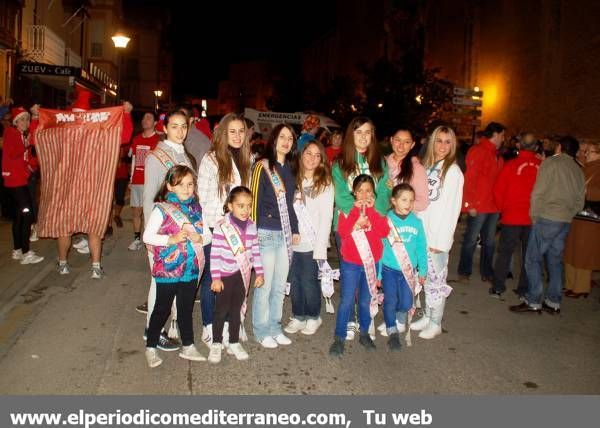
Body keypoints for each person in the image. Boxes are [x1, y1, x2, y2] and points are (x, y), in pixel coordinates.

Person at [51, 89, 134, 277]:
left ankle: (63, 263)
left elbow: (40, 135)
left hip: (67, 187)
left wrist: (33, 117)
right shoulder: (98, 131)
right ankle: (96, 267)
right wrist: (127, 114)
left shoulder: (64, 129)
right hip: (92, 186)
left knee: (65, 226)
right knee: (94, 225)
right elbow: (124, 136)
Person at [138, 110, 198, 351]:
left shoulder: (187, 156)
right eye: (174, 126)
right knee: (159, 284)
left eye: (184, 126)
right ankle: (150, 330)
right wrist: (154, 240)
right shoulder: (156, 157)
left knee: (175, 284)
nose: (180, 131)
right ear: (165, 128)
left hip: (183, 232)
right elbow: (149, 198)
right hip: (164, 232)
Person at [510, 137, 585, 314]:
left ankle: (533, 299)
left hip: (547, 217)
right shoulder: (578, 169)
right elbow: (580, 200)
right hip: (564, 219)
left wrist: (534, 216)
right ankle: (553, 301)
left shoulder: (551, 163)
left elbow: (538, 192)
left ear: (560, 147)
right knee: (555, 260)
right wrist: (569, 213)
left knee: (532, 259)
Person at [332, 116, 391, 340]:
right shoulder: (339, 163)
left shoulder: (381, 163)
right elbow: (340, 194)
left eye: (368, 132)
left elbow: (385, 193)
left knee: (368, 274)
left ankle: (363, 316)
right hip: (349, 224)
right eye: (359, 132)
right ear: (351, 135)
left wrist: (373, 209)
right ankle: (348, 319)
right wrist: (357, 214)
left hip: (373, 225)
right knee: (350, 275)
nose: (364, 137)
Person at [143, 165, 207, 368]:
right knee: (161, 309)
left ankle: (188, 345)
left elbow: (207, 236)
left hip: (190, 269)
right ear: (170, 186)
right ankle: (151, 347)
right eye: (181, 185)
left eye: (190, 184)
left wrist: (200, 237)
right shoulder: (161, 209)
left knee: (185, 309)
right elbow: (147, 236)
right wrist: (171, 239)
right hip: (168, 270)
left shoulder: (197, 208)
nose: (187, 189)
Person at [197, 113, 252, 347]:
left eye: (241, 131)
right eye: (232, 131)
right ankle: (209, 325)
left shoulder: (247, 160)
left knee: (236, 279)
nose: (238, 136)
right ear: (222, 133)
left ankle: (232, 322)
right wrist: (224, 221)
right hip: (217, 229)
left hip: (240, 230)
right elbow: (204, 198)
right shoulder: (211, 160)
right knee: (213, 278)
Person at [410, 126, 464, 339]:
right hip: (422, 233)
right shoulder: (427, 166)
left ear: (453, 145)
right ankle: (427, 314)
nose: (442, 146)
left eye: (447, 142)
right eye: (439, 141)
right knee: (423, 278)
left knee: (436, 281)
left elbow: (453, 209)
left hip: (436, 239)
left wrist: (440, 241)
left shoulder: (453, 172)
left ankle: (436, 321)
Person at [250, 123, 300, 348]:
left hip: (285, 234)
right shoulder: (263, 166)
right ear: (273, 139)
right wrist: (252, 234)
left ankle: (274, 326)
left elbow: (290, 205)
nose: (286, 141)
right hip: (266, 233)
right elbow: (254, 202)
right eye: (282, 137)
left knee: (280, 285)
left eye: (290, 138)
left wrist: (296, 228)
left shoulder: (289, 168)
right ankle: (261, 330)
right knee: (265, 285)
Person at [329, 174, 390, 356]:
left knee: (365, 300)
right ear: (354, 193)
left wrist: (371, 213)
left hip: (372, 262)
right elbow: (343, 232)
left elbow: (384, 231)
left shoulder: (376, 211)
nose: (364, 194)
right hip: (351, 263)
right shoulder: (346, 211)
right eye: (360, 191)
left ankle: (364, 333)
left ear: (374, 193)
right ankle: (339, 337)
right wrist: (356, 215)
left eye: (368, 191)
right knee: (347, 299)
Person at [208, 186, 264, 363]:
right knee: (220, 311)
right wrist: (215, 278)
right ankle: (216, 343)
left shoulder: (252, 225)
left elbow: (255, 250)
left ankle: (233, 341)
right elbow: (215, 253)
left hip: (242, 275)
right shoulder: (222, 226)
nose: (245, 210)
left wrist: (260, 273)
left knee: (236, 311)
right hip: (224, 276)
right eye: (241, 206)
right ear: (230, 206)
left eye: (248, 206)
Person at [284, 141, 334, 336]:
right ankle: (298, 315)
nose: (312, 158)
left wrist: (321, 248)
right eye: (308, 153)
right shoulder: (292, 178)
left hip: (312, 243)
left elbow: (326, 216)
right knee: (294, 280)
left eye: (317, 155)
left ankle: (314, 316)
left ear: (322, 160)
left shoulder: (324, 182)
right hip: (292, 241)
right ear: (301, 154)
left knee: (309, 281)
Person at [489, 132, 541, 298]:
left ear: (519, 145)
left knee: (505, 253)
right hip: (534, 217)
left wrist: (503, 209)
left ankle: (498, 287)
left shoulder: (511, 165)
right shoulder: (543, 166)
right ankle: (524, 289)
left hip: (512, 216)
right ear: (536, 147)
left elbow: (498, 190)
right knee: (529, 255)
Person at [378, 183, 427, 350]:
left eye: (411, 200)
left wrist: (423, 270)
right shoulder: (387, 221)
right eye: (404, 199)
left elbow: (421, 247)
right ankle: (392, 329)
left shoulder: (417, 223)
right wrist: (378, 274)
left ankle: (397, 318)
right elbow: (380, 248)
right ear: (394, 201)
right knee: (390, 299)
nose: (408, 203)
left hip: (408, 271)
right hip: (389, 269)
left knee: (406, 302)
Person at [457, 122, 505, 283]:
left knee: (490, 241)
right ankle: (465, 271)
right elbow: (470, 179)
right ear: (496, 134)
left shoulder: (496, 154)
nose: (504, 139)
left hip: (493, 205)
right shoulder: (478, 151)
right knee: (471, 239)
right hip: (479, 204)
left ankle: (487, 271)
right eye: (502, 135)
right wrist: (469, 204)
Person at [1, 106, 44, 264]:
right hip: (16, 182)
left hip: (18, 180)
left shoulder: (19, 134)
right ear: (16, 121)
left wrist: (38, 163)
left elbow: (24, 159)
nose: (26, 122)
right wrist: (25, 143)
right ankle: (26, 253)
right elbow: (13, 153)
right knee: (27, 215)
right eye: (23, 119)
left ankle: (17, 250)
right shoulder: (11, 133)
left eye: (27, 119)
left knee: (19, 216)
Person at [563, 140, 600, 298]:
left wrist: (584, 190)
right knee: (571, 250)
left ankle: (581, 287)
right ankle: (570, 283)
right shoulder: (585, 168)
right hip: (576, 216)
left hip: (590, 219)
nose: (585, 154)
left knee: (583, 253)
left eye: (589, 152)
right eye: (585, 151)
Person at [127, 111, 160, 251]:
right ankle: (136, 239)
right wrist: (131, 178)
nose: (145, 120)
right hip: (137, 181)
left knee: (152, 213)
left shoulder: (159, 140)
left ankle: (152, 241)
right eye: (144, 117)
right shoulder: (136, 139)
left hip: (152, 183)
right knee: (136, 212)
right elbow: (134, 159)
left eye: (149, 118)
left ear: (155, 123)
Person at [385, 129, 429, 212]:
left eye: (407, 142)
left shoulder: (417, 169)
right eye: (398, 140)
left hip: (402, 220)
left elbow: (423, 203)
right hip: (379, 217)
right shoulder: (382, 163)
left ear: (412, 145)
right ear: (391, 140)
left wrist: (400, 199)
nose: (401, 145)